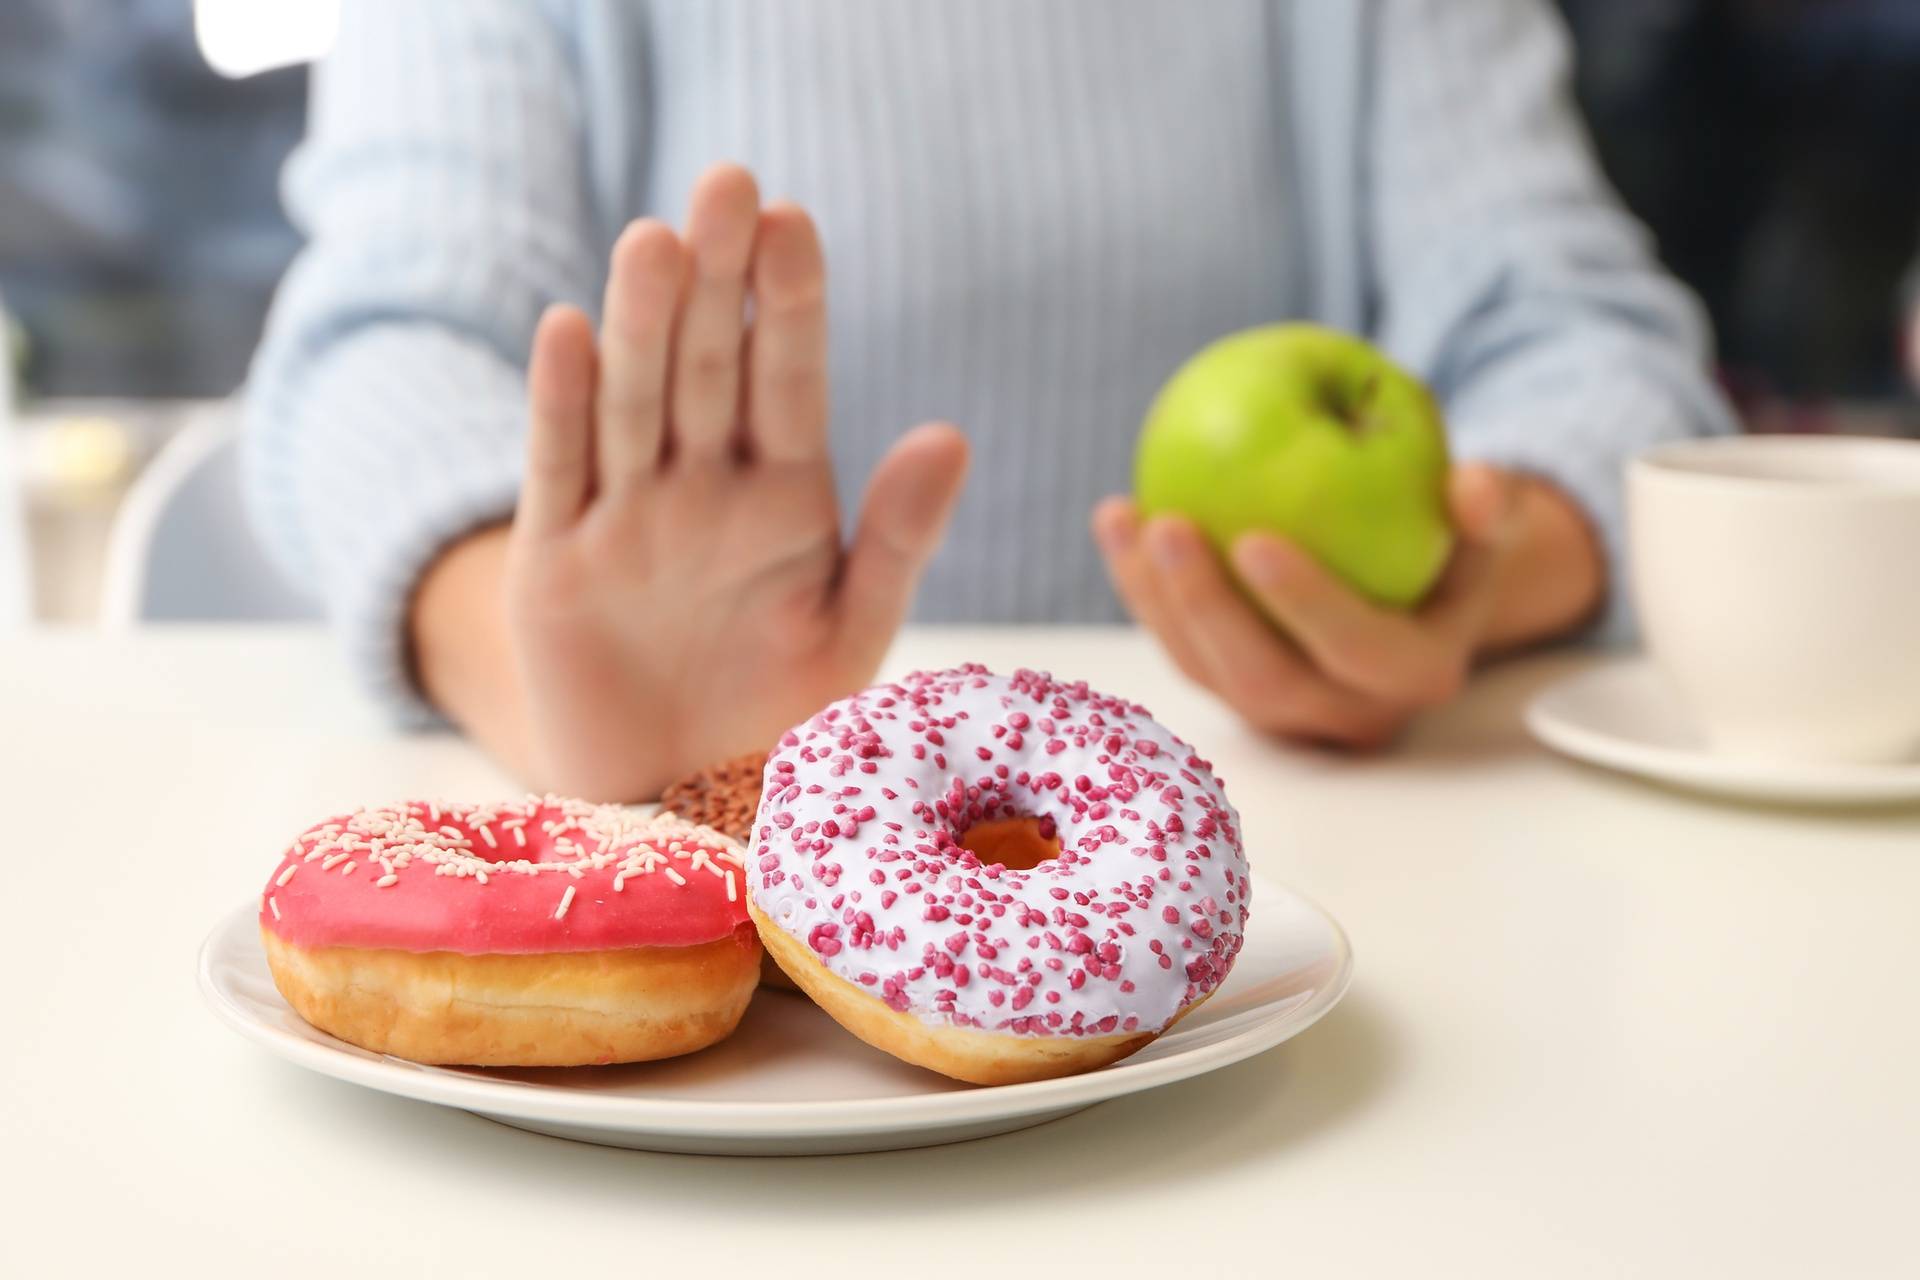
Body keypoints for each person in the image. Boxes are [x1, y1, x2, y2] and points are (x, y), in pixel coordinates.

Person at [245, 0, 1734, 802]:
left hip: (1310, 863)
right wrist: (547, 673)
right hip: (695, 860)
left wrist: (1469, 586)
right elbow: (381, 349)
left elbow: (1585, 339)